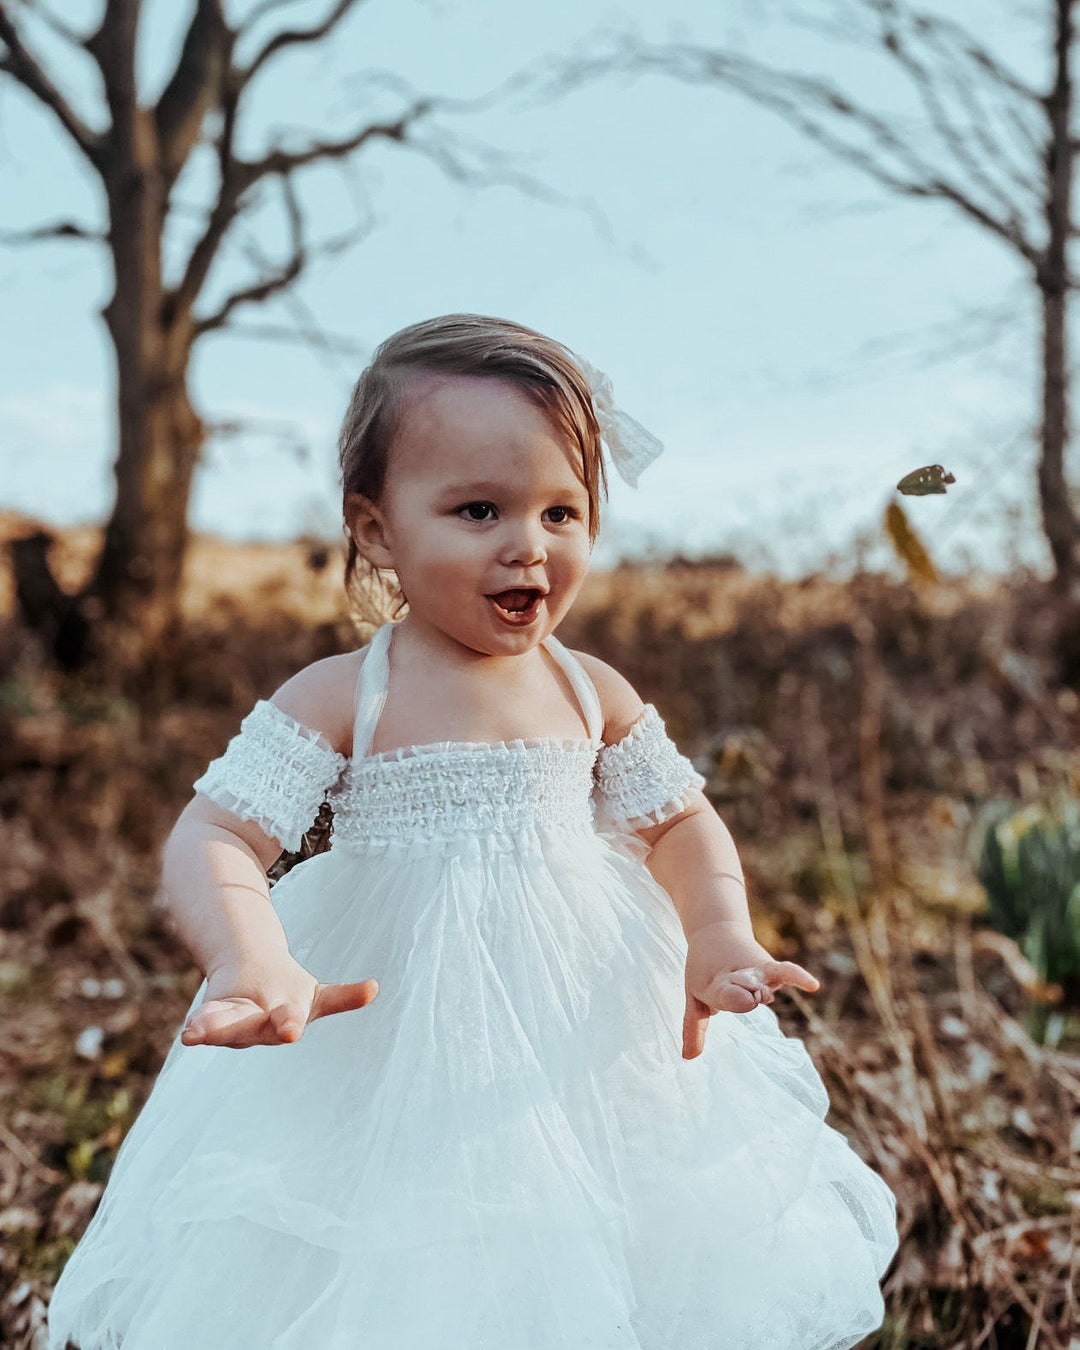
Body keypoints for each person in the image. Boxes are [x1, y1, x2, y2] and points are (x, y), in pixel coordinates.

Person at [46, 314, 898, 1350]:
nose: (527, 544)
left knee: (602, 1243)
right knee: (404, 1262)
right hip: (391, 1030)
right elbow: (215, 835)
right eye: (479, 508)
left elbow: (680, 822)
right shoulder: (344, 695)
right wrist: (250, 955)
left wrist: (718, 934)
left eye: (561, 510)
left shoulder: (591, 691)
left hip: (579, 1022)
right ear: (375, 527)